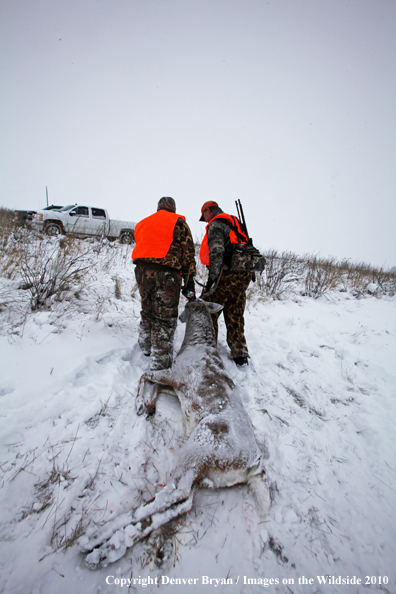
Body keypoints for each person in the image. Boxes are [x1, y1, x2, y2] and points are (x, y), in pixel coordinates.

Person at [132, 197, 196, 370]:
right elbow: (188, 253)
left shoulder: (142, 223)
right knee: (164, 318)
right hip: (167, 273)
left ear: (158, 207)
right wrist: (189, 282)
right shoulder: (178, 223)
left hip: (142, 271)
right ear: (173, 208)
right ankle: (160, 364)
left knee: (147, 309)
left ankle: (145, 345)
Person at [199, 200, 252, 367]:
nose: (205, 220)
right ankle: (240, 353)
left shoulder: (216, 224)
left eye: (204, 216)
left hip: (225, 275)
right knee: (235, 312)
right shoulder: (235, 223)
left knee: (209, 311)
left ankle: (208, 351)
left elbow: (216, 251)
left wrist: (212, 278)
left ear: (208, 211)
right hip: (243, 276)